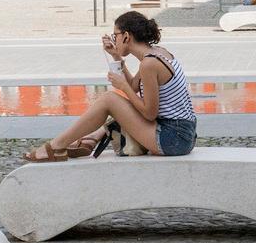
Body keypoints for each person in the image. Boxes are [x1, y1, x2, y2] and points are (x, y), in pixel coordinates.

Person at [22, 11, 197, 162]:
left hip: (173, 139)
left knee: (109, 99)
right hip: (182, 134)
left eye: (116, 36)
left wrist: (123, 86)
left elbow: (149, 113)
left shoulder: (149, 64)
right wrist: (116, 56)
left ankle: (56, 146)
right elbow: (135, 86)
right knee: (112, 101)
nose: (114, 39)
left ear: (126, 36)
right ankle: (89, 139)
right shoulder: (157, 53)